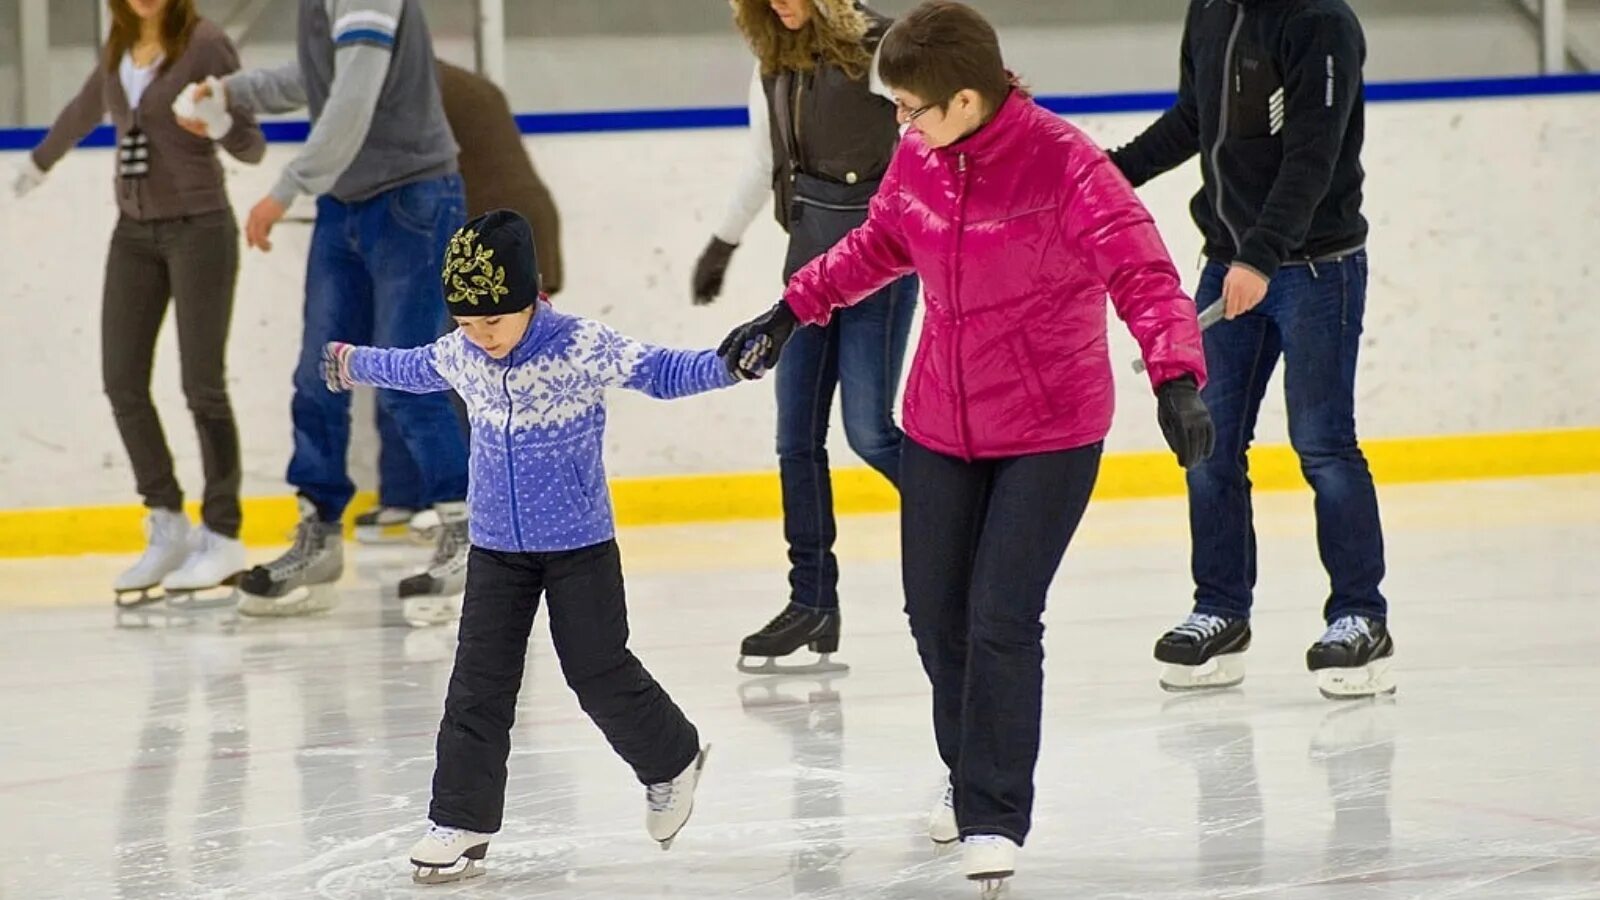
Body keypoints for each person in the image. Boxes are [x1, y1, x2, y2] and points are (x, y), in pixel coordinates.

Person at [718, 2, 1213, 890]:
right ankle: (965, 772)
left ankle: (994, 814)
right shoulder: (920, 155)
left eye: (912, 107)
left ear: (970, 97)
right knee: (934, 614)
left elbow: (1143, 272)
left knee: (1001, 618)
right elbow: (879, 241)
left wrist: (1175, 373)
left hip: (1050, 428)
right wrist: (791, 309)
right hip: (942, 418)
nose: (900, 123)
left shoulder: (1068, 166)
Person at [321, 210, 746, 883]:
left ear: (529, 297)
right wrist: (348, 362)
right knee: (477, 685)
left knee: (597, 669)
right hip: (496, 548)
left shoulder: (579, 345)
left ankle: (671, 761)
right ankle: (460, 820)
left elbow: (661, 371)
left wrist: (729, 365)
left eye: (494, 319)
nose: (481, 336)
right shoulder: (462, 349)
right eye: (467, 321)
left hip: (579, 544)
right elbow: (412, 365)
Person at [1107, 0, 1394, 700]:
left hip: (1317, 267)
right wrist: (1106, 176)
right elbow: (1192, 119)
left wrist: (1261, 258)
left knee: (1324, 446)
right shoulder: (1211, 10)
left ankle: (1360, 615)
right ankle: (1221, 612)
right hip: (1231, 260)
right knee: (1208, 446)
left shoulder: (1319, 21)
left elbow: (1313, 156)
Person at [179, 0, 471, 615]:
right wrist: (233, 91)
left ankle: (467, 529)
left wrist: (285, 191)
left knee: (406, 378)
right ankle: (318, 533)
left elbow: (350, 104)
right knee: (320, 371)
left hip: (414, 197)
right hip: (348, 202)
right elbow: (318, 78)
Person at [9, 0, 264, 605]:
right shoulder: (118, 44)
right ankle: (167, 519)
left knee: (202, 384)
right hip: (134, 233)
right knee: (121, 380)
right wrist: (39, 164)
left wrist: (220, 123)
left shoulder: (205, 44)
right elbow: (84, 108)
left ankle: (223, 532)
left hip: (200, 228)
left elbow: (250, 144)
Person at [694, 0, 920, 673]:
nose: (782, 4)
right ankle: (813, 601)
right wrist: (722, 243)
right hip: (809, 268)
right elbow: (763, 160)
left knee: (870, 431)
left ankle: (965, 520)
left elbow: (926, 137)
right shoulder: (774, 62)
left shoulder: (881, 47)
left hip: (880, 266)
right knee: (796, 438)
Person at [354, 57, 567, 564]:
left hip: (495, 236)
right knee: (421, 356)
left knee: (465, 373)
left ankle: (481, 502)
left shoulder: (410, 86)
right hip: (493, 228)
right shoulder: (441, 79)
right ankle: (410, 495)